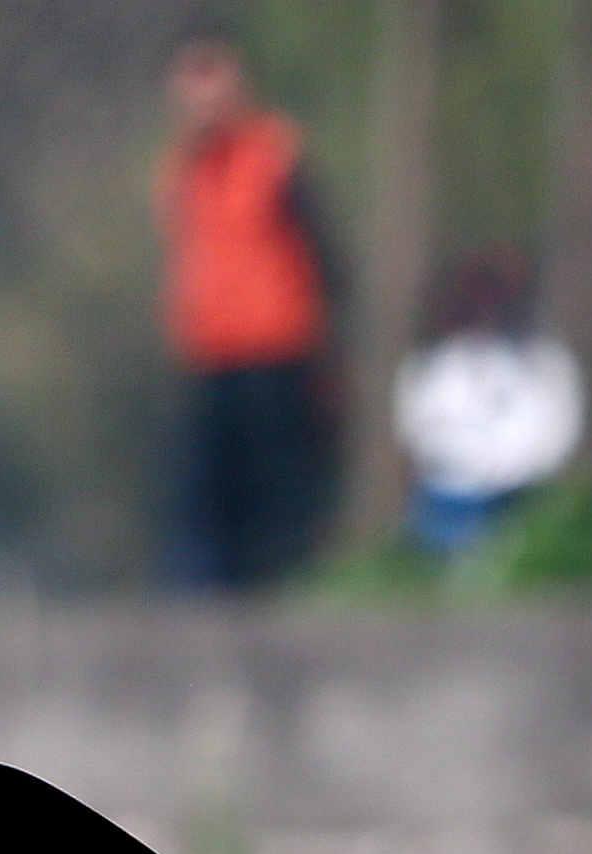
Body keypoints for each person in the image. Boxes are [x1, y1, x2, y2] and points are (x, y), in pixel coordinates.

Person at [156, 31, 338, 593]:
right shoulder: (181, 171)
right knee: (206, 501)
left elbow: (322, 251)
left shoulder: (273, 157)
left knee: (279, 496)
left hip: (276, 351)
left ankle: (287, 593)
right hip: (212, 356)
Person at [392, 254, 583, 563]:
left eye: (493, 300)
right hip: (450, 496)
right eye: (476, 301)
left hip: (522, 495)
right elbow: (420, 432)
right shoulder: (433, 365)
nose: (485, 312)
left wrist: (513, 473)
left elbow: (555, 432)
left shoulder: (543, 361)